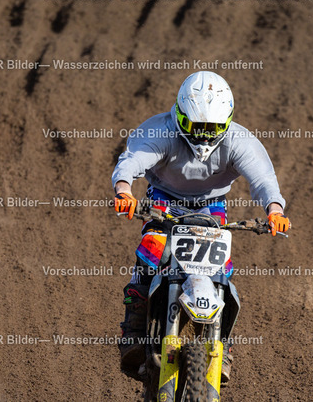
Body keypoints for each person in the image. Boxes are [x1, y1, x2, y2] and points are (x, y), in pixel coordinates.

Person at [112, 70, 290, 382]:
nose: (205, 136)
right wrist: (124, 191)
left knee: (222, 267)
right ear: (180, 116)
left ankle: (224, 343)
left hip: (211, 205)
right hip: (164, 199)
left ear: (227, 122)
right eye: (198, 127)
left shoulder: (239, 141)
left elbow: (263, 180)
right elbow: (131, 161)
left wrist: (274, 210)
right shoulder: (161, 132)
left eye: (213, 128)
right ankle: (135, 328)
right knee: (152, 249)